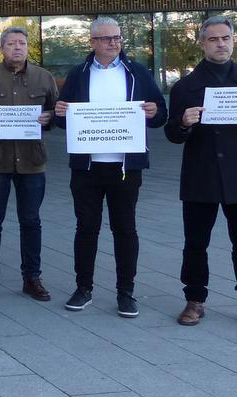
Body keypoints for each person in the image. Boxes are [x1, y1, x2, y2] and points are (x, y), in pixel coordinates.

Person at [165, 15, 237, 330]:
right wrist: (183, 123)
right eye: (213, 39)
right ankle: (195, 300)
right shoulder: (185, 87)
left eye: (225, 38)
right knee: (195, 243)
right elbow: (172, 134)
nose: (220, 44)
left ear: (233, 40)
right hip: (202, 172)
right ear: (201, 43)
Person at [53, 17, 167, 317]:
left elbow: (159, 113)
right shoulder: (78, 74)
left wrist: (155, 112)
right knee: (86, 229)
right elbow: (63, 119)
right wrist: (60, 112)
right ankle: (83, 288)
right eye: (106, 39)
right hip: (87, 167)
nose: (113, 43)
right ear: (92, 43)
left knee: (125, 229)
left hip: (126, 166)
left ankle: (126, 292)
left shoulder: (137, 72)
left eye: (117, 37)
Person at [0, 26, 57, 302]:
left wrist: (49, 119)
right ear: (2, 48)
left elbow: (57, 114)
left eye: (22, 43)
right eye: (11, 43)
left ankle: (32, 277)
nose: (17, 47)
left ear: (27, 47)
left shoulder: (44, 78)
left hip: (32, 161)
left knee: (31, 221)